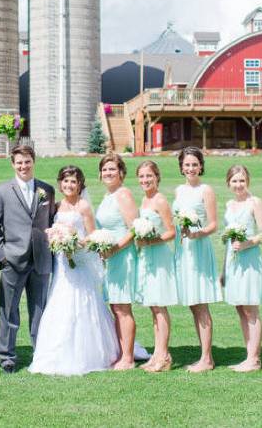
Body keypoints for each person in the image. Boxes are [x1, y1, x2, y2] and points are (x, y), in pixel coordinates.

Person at [28, 166, 118, 376]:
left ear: (80, 185)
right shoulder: (57, 206)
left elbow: (93, 235)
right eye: (66, 181)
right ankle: (55, 351)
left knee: (82, 302)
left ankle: (88, 354)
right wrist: (57, 239)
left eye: (73, 182)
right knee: (59, 302)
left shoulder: (84, 206)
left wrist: (74, 240)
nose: (69, 185)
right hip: (60, 265)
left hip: (78, 262)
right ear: (60, 183)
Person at [0, 144, 55, 373]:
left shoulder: (46, 190)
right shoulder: (1, 192)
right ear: (13, 164)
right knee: (9, 311)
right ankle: (6, 355)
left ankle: (41, 352)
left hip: (41, 260)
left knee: (40, 311)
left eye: (27, 161)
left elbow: (52, 223)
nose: (23, 166)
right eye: (19, 162)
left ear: (33, 162)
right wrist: (2, 257)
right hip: (13, 260)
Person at [95, 153, 150, 370]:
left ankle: (127, 357)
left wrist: (114, 248)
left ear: (121, 173)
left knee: (123, 307)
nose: (108, 173)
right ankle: (122, 352)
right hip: (110, 257)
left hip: (123, 256)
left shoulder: (123, 194)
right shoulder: (108, 196)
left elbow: (134, 228)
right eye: (105, 169)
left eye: (112, 169)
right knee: (116, 306)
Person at [173, 147, 221, 373]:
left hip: (199, 248)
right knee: (193, 303)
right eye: (187, 164)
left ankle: (207, 358)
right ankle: (204, 354)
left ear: (201, 166)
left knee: (200, 303)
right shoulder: (179, 190)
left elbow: (213, 224)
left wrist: (197, 233)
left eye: (194, 164)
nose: (190, 168)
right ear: (181, 167)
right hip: (183, 252)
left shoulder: (206, 190)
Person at [220, 165, 262, 373]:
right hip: (233, 263)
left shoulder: (254, 202)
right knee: (240, 307)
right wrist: (224, 270)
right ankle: (248, 354)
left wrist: (248, 243)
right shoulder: (229, 204)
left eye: (242, 180)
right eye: (234, 181)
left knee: (250, 309)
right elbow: (228, 241)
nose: (238, 185)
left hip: (249, 262)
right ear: (228, 183)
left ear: (247, 181)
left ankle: (255, 359)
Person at [135, 160, 177, 373]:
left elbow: (171, 232)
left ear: (157, 177)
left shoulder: (160, 200)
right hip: (146, 257)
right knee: (153, 307)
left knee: (160, 307)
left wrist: (149, 240)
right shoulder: (144, 199)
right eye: (141, 177)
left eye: (149, 176)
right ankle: (158, 354)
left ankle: (164, 356)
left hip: (159, 256)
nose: (145, 180)